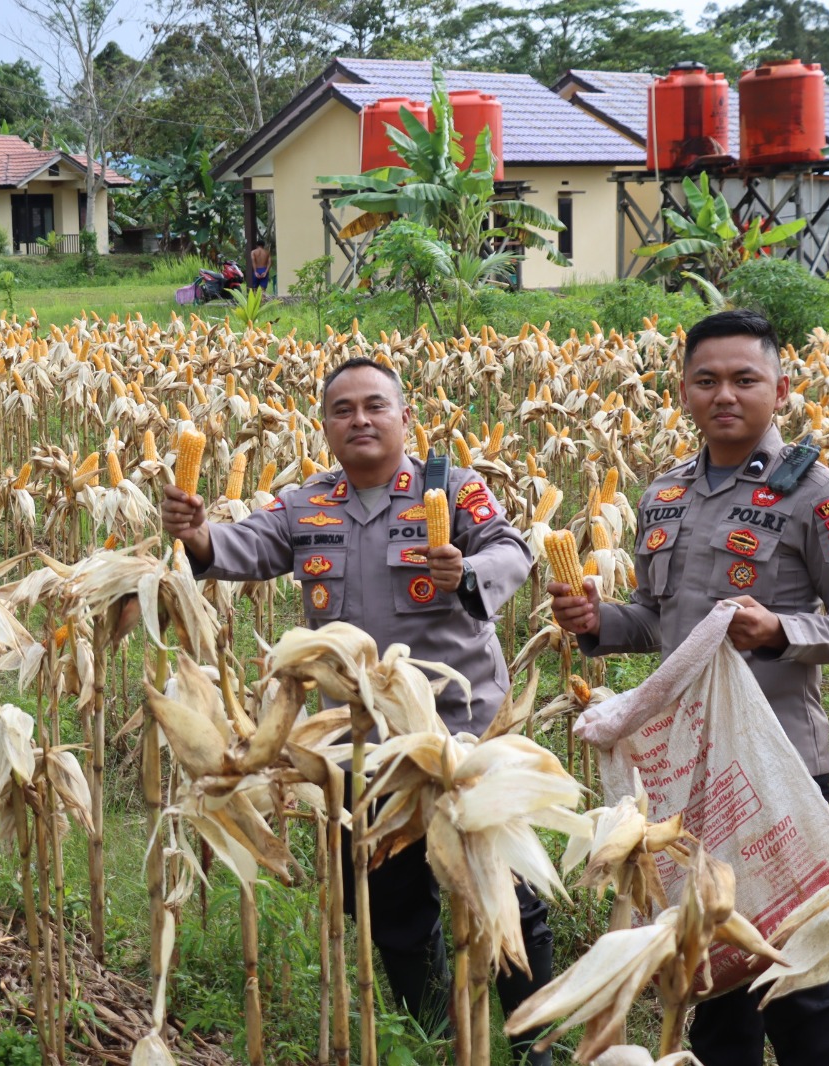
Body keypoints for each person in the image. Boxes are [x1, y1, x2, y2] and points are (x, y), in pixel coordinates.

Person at [161, 357, 549, 1062]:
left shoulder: (453, 489)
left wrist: (466, 572)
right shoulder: (306, 503)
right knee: (386, 898)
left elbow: (512, 551)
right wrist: (196, 535)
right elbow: (241, 546)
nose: (360, 420)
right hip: (362, 740)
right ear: (325, 426)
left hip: (461, 729)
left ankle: (534, 1045)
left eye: (375, 405)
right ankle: (432, 1036)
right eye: (343, 410)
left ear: (404, 417)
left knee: (507, 894)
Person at [548, 308, 829, 1066]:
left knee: (796, 975)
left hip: (777, 767)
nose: (724, 395)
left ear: (781, 389)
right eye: (706, 380)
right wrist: (598, 620)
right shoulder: (665, 493)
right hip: (685, 773)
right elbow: (658, 622)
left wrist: (780, 630)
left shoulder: (820, 495)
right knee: (708, 973)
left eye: (744, 379)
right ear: (683, 391)